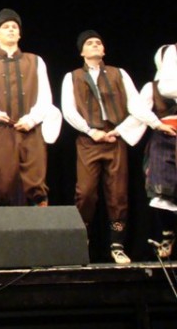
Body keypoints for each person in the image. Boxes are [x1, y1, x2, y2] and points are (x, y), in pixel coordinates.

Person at [61, 30, 175, 264]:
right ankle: (83, 238)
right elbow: (69, 110)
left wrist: (150, 125)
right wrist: (91, 131)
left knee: (118, 193)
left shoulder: (119, 74)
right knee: (86, 193)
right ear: (82, 52)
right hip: (89, 140)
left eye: (98, 42)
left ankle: (117, 245)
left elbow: (135, 104)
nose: (95, 45)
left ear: (104, 50)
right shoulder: (72, 77)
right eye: (90, 43)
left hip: (114, 138)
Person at [0, 8, 61, 207]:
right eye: (6, 27)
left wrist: (31, 119)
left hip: (31, 129)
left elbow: (45, 97)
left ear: (20, 33)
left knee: (36, 182)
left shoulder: (35, 61)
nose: (11, 30)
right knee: (2, 181)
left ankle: (41, 220)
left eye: (14, 27)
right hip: (3, 129)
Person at [140, 45, 177, 259]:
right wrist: (157, 124)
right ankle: (167, 233)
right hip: (164, 140)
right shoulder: (153, 87)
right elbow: (137, 109)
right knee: (162, 190)